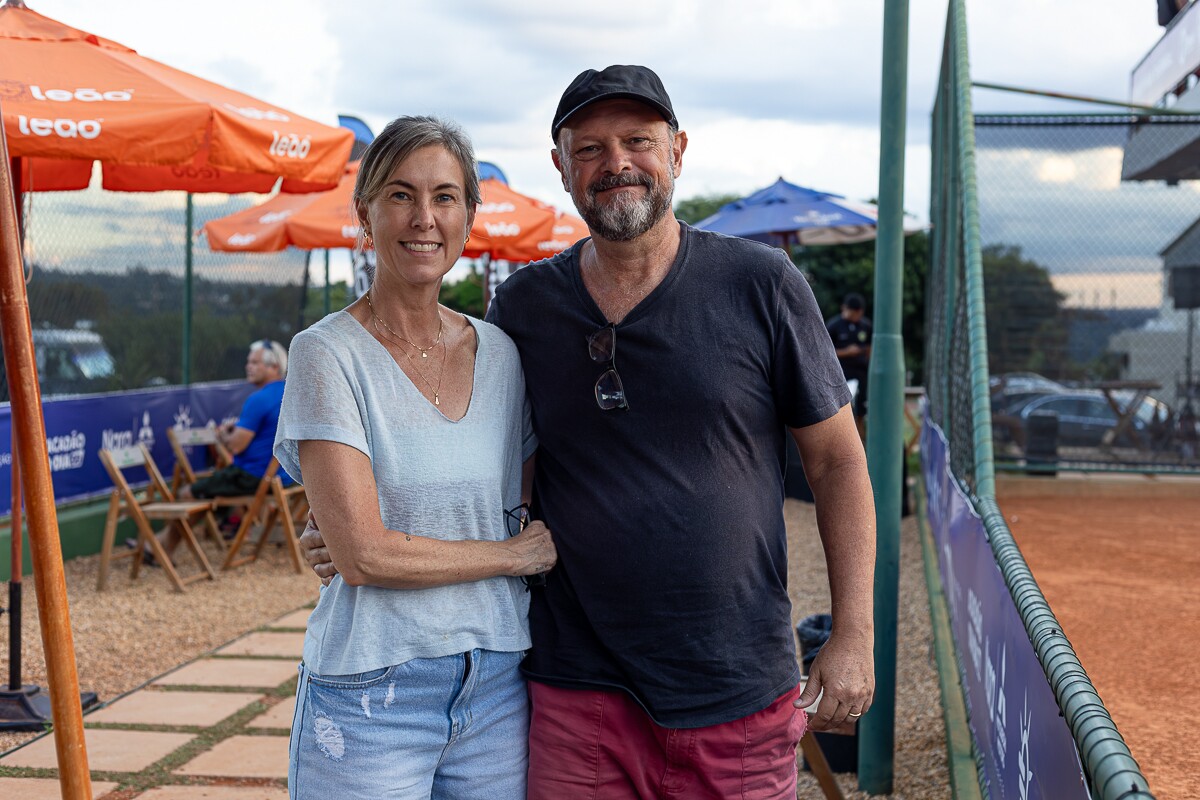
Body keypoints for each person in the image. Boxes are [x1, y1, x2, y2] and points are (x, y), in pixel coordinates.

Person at [304, 65, 875, 800]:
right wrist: (352, 531)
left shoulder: (760, 283)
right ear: (561, 167)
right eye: (590, 148)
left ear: (678, 150)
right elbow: (476, 459)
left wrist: (854, 633)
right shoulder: (525, 310)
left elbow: (836, 463)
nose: (617, 165)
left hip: (735, 684)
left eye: (637, 140)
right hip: (577, 695)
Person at [276, 115, 556, 800]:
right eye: (400, 195)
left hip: (496, 683)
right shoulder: (327, 353)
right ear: (365, 212)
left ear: (467, 216)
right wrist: (508, 557)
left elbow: (516, 505)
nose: (423, 218)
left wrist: (367, 544)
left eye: (445, 196)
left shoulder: (502, 355)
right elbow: (366, 556)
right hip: (374, 687)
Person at [137, 339, 289, 564]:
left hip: (254, 477)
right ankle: (157, 544)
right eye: (248, 361)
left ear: (274, 367)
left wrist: (223, 435)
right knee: (202, 492)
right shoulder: (288, 392)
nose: (249, 366)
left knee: (188, 493)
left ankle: (161, 547)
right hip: (284, 476)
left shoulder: (259, 399)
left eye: (255, 362)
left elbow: (237, 445)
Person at [826, 292, 874, 440]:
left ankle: (861, 440)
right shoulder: (833, 326)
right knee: (843, 409)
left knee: (861, 410)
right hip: (841, 373)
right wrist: (846, 352)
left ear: (859, 312)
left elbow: (871, 347)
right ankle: (842, 438)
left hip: (861, 373)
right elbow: (825, 351)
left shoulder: (866, 326)